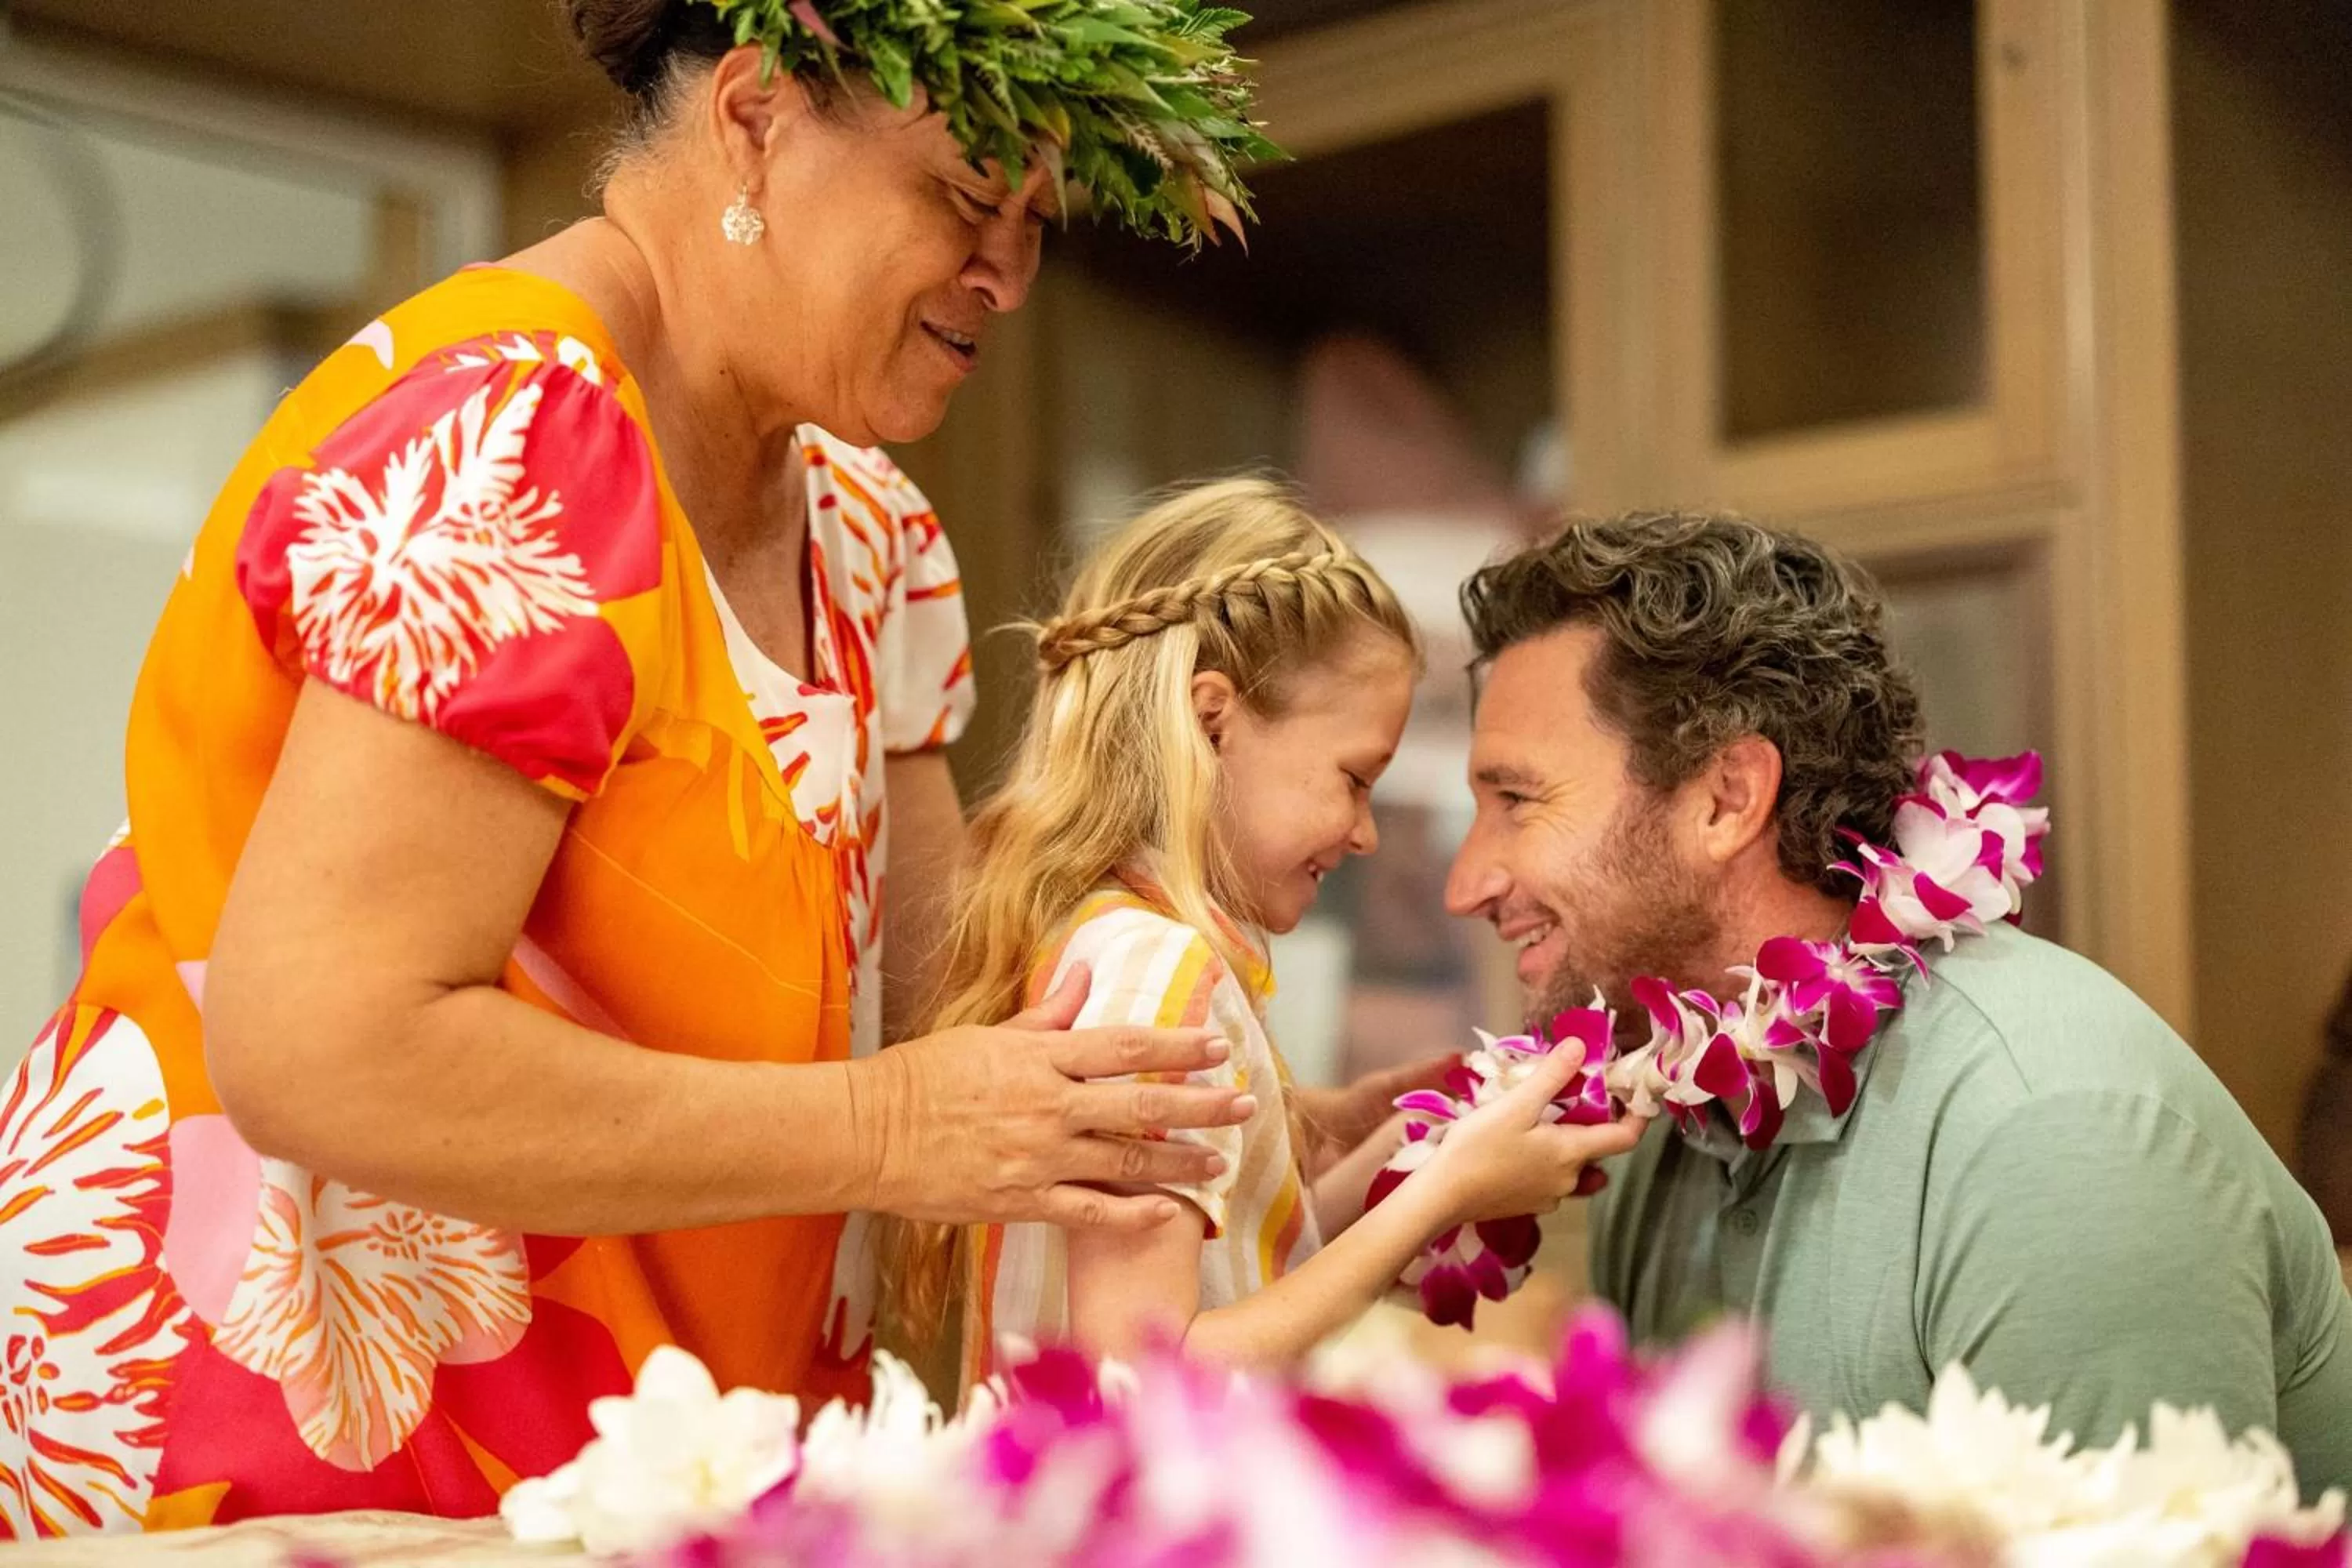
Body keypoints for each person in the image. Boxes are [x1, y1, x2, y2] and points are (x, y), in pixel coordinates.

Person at [0, 0, 1276, 1536]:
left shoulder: (865, 529)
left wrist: (1247, 1113)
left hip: (627, 1448)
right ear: (753, 111)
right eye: (961, 196)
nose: (1007, 270)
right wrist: (888, 1128)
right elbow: (322, 1048)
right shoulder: (511, 431)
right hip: (291, 1448)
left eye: (1034, 219)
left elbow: (955, 998)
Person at [1443, 511, 2352, 1498]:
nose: (1467, 881)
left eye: (1518, 800)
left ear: (1725, 798)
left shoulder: (2052, 1129)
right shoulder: (1666, 1123)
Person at [877, 480, 1644, 1385]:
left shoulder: (1123, 941)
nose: (1365, 832)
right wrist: (1449, 1189)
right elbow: (1147, 1367)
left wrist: (1410, 1156)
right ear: (1213, 721)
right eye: (1355, 779)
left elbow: (1234, 1263)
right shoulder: (1158, 972)